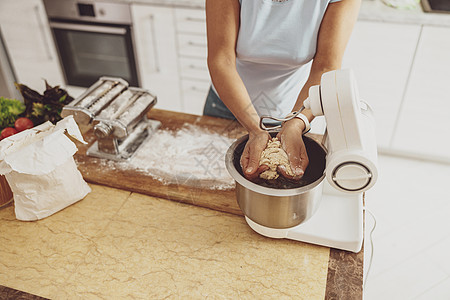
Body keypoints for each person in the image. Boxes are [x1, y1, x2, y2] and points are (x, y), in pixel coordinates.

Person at [204, 0, 360, 180]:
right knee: (211, 177)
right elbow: (221, 60)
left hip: (293, 108)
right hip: (226, 105)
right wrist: (256, 129)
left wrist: (295, 123)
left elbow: (325, 67)